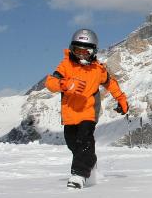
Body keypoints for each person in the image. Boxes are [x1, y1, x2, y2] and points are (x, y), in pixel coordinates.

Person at [45, 29, 128, 189]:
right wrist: (65, 84)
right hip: (69, 115)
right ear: (72, 49)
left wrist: (121, 99)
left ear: (93, 51)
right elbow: (50, 82)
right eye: (78, 50)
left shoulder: (98, 69)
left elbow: (110, 83)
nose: (82, 55)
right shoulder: (66, 65)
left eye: (86, 51)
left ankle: (78, 175)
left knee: (84, 140)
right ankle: (90, 162)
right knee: (73, 144)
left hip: (88, 113)